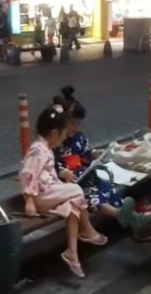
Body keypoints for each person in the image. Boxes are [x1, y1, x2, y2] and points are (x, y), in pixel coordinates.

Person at [20, 104, 108, 278]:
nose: (63, 139)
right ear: (54, 133)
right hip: (41, 195)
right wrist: (29, 200)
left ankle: (72, 254)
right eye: (62, 134)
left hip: (49, 191)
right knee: (76, 189)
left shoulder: (45, 148)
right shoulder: (38, 150)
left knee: (73, 203)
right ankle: (88, 230)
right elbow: (27, 174)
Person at [53, 87, 131, 221]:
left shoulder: (78, 136)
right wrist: (62, 172)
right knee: (91, 194)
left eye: (78, 124)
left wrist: (95, 154)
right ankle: (118, 214)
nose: (75, 128)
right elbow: (51, 164)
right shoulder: (55, 140)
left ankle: (123, 210)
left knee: (104, 184)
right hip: (70, 183)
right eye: (72, 124)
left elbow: (86, 152)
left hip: (85, 175)